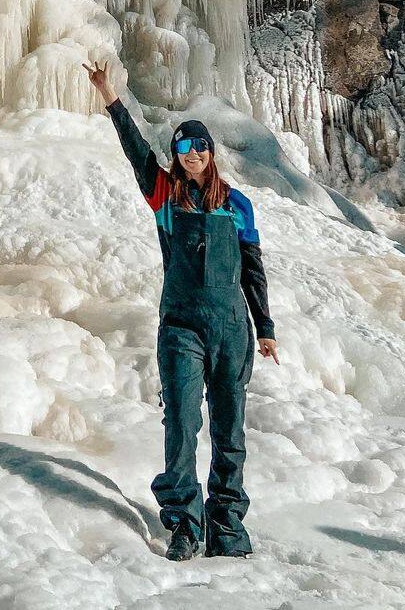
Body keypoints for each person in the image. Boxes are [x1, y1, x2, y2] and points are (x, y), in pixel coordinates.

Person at [84, 58, 278, 562]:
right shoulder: (165, 195)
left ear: (211, 153)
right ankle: (184, 523)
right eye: (183, 146)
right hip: (181, 328)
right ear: (176, 154)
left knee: (230, 430)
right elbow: (134, 151)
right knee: (181, 425)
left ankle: (227, 523)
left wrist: (266, 328)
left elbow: (253, 272)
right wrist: (111, 96)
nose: (191, 154)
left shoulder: (238, 206)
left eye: (199, 146)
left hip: (232, 329)